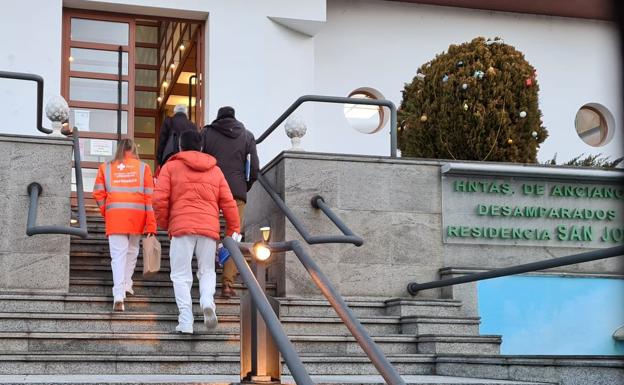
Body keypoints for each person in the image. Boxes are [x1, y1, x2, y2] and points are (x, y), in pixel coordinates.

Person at [154, 130, 240, 334]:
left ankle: (185, 321)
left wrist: (167, 223)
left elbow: (159, 200)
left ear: (180, 147)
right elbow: (228, 202)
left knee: (181, 274)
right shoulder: (215, 171)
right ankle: (207, 301)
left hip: (181, 227)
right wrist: (234, 228)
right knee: (207, 270)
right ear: (201, 147)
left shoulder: (171, 167)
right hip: (209, 228)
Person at [201, 106, 259, 298]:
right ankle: (227, 284)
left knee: (210, 234)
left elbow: (200, 161)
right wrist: (244, 186)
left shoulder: (207, 133)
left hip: (212, 190)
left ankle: (206, 278)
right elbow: (254, 168)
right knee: (233, 236)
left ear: (218, 118)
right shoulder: (247, 135)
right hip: (236, 191)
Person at [92, 139, 157, 312]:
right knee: (132, 251)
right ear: (134, 149)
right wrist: (151, 224)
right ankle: (127, 284)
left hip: (115, 217)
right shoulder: (144, 168)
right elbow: (150, 198)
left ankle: (118, 295)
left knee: (117, 256)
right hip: (138, 215)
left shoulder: (105, 167)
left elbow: (98, 193)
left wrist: (107, 210)